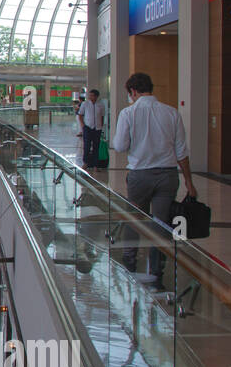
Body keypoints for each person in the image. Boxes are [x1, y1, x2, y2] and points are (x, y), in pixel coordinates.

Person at [110, 72, 198, 286]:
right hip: (168, 176)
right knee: (161, 223)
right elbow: (181, 152)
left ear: (132, 91)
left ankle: (129, 261)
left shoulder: (128, 113)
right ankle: (156, 270)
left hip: (140, 174)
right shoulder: (171, 113)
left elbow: (120, 146)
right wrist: (189, 182)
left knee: (134, 218)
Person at [77, 88, 107, 170]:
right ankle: (86, 163)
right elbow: (80, 115)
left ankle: (95, 165)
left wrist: (101, 126)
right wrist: (83, 126)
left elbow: (102, 116)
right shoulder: (85, 104)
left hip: (97, 128)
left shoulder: (101, 105)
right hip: (88, 127)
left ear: (96, 96)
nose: (90, 97)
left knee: (96, 146)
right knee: (87, 145)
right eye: (89, 95)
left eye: (92, 95)